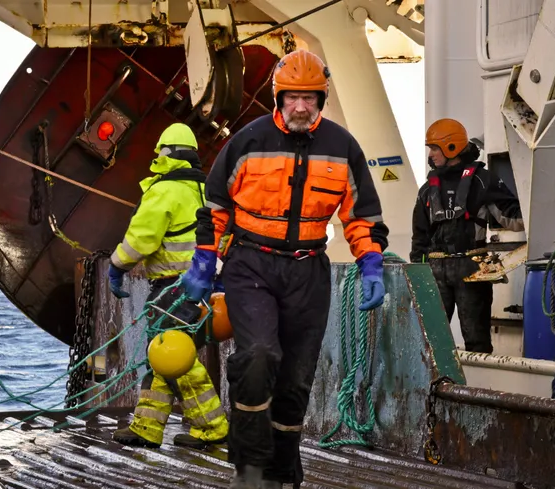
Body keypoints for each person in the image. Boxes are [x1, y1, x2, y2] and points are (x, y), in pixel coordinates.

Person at [183, 49, 388, 489]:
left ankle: (281, 474)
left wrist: (371, 263)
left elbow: (361, 217)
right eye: (292, 97)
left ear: (321, 99)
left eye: (309, 98)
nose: (300, 106)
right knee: (258, 357)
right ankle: (251, 470)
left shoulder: (342, 147)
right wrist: (204, 262)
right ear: (279, 98)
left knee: (296, 380)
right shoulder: (247, 142)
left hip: (307, 272)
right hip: (250, 265)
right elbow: (215, 208)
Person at [107, 122, 229, 449]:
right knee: (163, 358)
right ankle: (146, 427)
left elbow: (141, 240)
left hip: (173, 289)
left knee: (176, 358)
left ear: (166, 154)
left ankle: (213, 427)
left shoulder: (165, 190)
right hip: (209, 291)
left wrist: (117, 266)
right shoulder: (207, 191)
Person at [411, 118, 525, 353]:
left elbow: (514, 218)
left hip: (472, 268)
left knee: (477, 340)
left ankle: (478, 384)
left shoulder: (483, 180)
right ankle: (436, 387)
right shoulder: (427, 189)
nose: (430, 154)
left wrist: (542, 209)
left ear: (451, 147)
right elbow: (419, 237)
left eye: (434, 148)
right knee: (430, 342)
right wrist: (418, 272)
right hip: (434, 269)